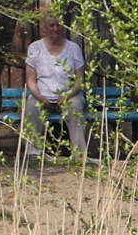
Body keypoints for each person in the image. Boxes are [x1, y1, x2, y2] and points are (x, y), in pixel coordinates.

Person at [21, 16, 91, 164]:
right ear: (45, 27)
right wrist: (40, 97)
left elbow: (79, 80)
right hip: (42, 95)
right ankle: (32, 153)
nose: (55, 29)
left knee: (76, 108)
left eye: (59, 25)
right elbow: (30, 79)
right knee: (31, 107)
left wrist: (68, 95)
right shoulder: (35, 48)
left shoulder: (73, 48)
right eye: (52, 25)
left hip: (68, 95)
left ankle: (79, 154)